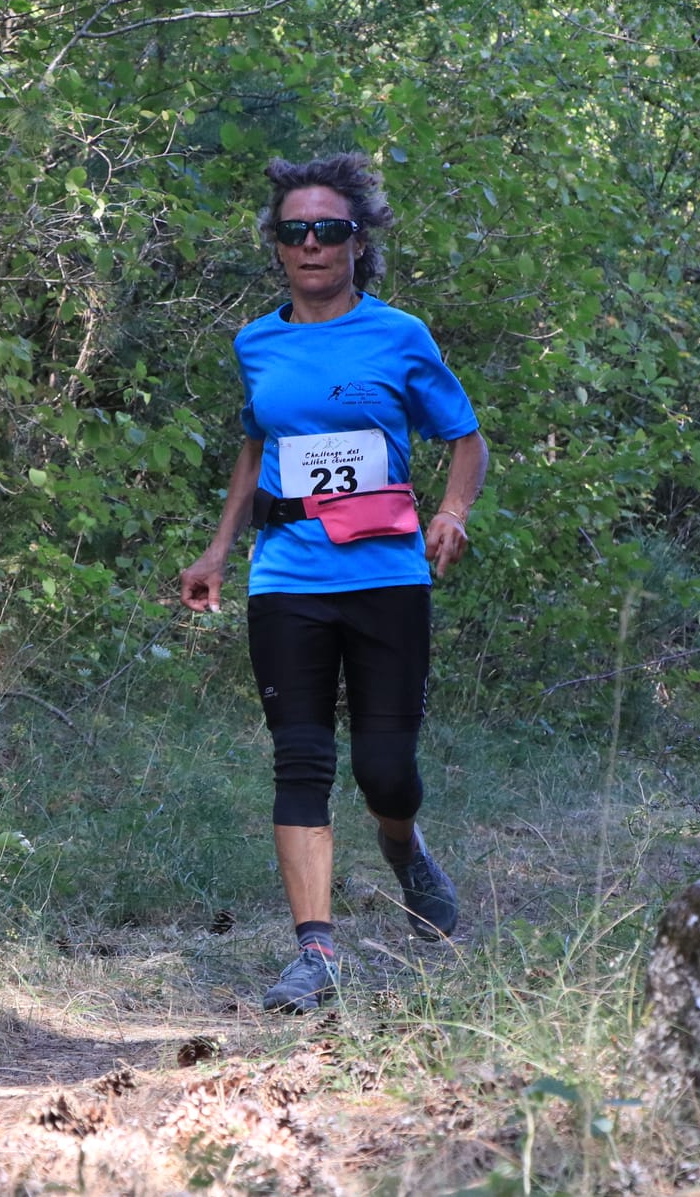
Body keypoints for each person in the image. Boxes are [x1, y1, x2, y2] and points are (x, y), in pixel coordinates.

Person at [179, 153, 489, 1013]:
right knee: (301, 759)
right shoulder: (256, 341)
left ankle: (403, 845)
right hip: (287, 576)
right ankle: (314, 953)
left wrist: (453, 512)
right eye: (294, 231)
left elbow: (465, 439)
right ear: (276, 246)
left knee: (385, 769)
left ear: (359, 242)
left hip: (387, 574)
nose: (312, 244)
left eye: (330, 230)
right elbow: (256, 445)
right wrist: (217, 551)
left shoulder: (400, 336)